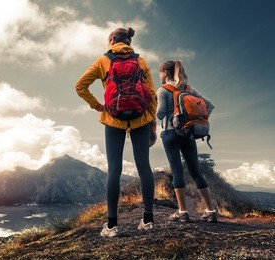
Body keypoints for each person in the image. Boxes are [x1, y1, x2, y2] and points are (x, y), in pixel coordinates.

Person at [75, 28, 157, 237]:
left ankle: (112, 226)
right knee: (144, 168)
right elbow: (152, 96)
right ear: (129, 42)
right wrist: (152, 124)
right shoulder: (141, 62)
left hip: (113, 119)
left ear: (112, 40)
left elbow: (80, 86)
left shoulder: (103, 60)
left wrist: (98, 107)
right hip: (140, 119)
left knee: (114, 170)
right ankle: (148, 221)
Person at [156, 60, 217, 223]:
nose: (159, 75)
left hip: (170, 133)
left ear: (164, 72)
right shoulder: (189, 89)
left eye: (160, 72)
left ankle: (182, 212)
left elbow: (160, 114)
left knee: (177, 172)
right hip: (188, 134)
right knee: (195, 171)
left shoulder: (163, 90)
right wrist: (194, 120)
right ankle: (210, 211)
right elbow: (209, 106)